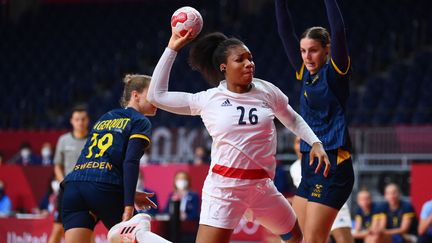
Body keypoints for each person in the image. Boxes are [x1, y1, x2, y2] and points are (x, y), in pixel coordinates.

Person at [147, 27, 330, 242]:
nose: (249, 63)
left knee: (294, 236)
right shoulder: (208, 99)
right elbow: (156, 96)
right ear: (223, 67)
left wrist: (315, 142)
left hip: (262, 188)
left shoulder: (267, 90)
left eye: (250, 58)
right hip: (225, 189)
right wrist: (172, 47)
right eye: (240, 60)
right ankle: (141, 234)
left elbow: (292, 118)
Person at [275, 0, 355, 242]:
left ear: (327, 49)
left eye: (313, 50)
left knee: (313, 240)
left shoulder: (335, 72)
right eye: (303, 51)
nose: (307, 57)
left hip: (333, 163)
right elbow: (284, 31)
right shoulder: (305, 73)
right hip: (310, 166)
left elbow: (339, 30)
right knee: (293, 236)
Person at [61, 74, 159, 243]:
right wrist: (128, 204)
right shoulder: (140, 121)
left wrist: (129, 193)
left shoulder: (106, 116)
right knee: (137, 237)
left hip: (73, 186)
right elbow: (130, 161)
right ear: (135, 95)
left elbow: (98, 164)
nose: (157, 98)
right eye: (152, 93)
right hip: (102, 187)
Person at [289, 136, 353, 243]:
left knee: (343, 239)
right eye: (298, 142)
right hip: (313, 206)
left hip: (331, 201)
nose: (300, 145)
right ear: (293, 146)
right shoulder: (293, 168)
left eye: (304, 141)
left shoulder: (323, 159)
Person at [48, 105, 90, 243]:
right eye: (77, 119)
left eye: (83, 119)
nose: (80, 122)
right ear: (71, 121)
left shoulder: (94, 140)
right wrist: (63, 183)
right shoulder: (63, 140)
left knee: (88, 230)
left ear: (88, 120)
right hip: (67, 191)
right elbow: (57, 166)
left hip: (88, 191)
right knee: (58, 229)